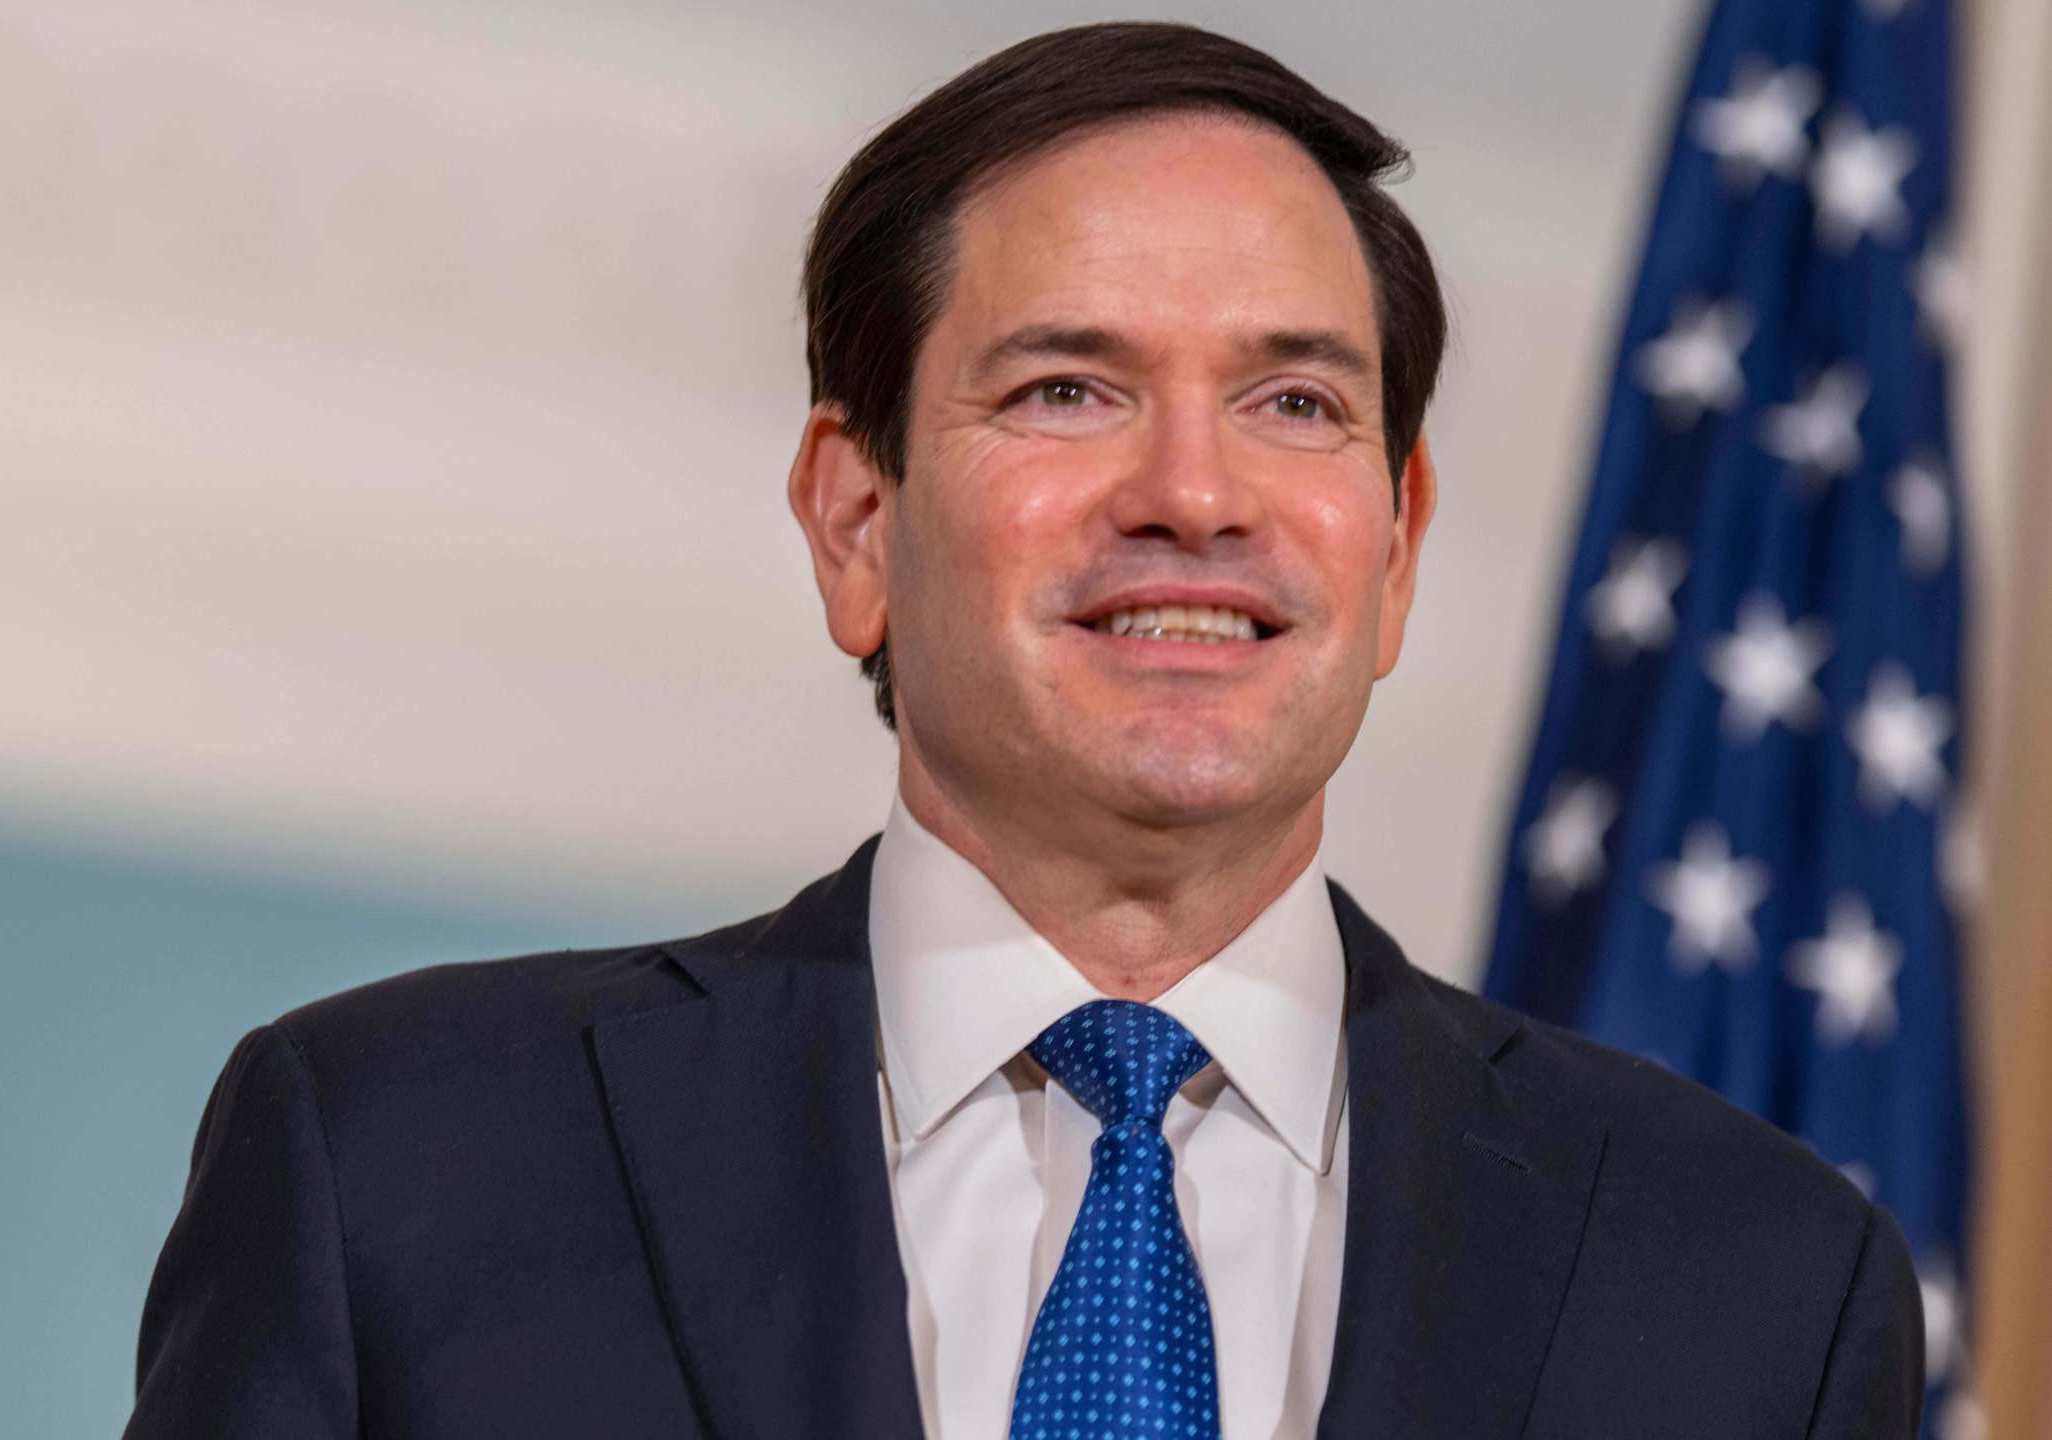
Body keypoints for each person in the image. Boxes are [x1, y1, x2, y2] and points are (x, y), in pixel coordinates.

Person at [123, 21, 1923, 1439]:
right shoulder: (399, 1161)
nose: (1195, 494)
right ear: (854, 523)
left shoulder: (1752, 1279)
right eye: (1069, 387)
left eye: (1295, 400)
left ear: (1398, 547)